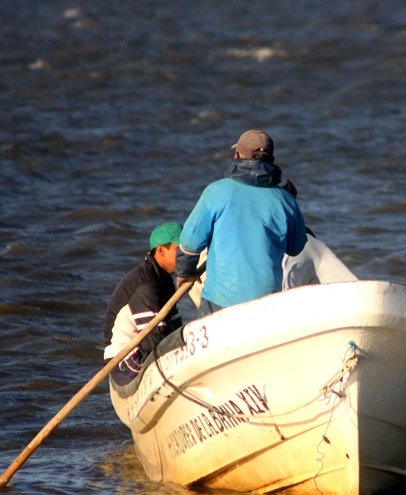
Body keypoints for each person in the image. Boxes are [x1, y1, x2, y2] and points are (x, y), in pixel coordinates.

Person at [175, 130, 307, 315]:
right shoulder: (286, 200)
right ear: (271, 159)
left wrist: (185, 272)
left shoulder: (217, 191)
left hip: (220, 300)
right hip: (268, 301)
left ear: (237, 155)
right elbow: (295, 247)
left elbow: (190, 245)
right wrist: (288, 205)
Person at [102, 222, 185, 387]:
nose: (184, 255)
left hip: (143, 349)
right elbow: (153, 338)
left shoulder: (165, 280)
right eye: (179, 250)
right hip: (123, 360)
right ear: (161, 250)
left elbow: (174, 327)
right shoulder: (147, 286)